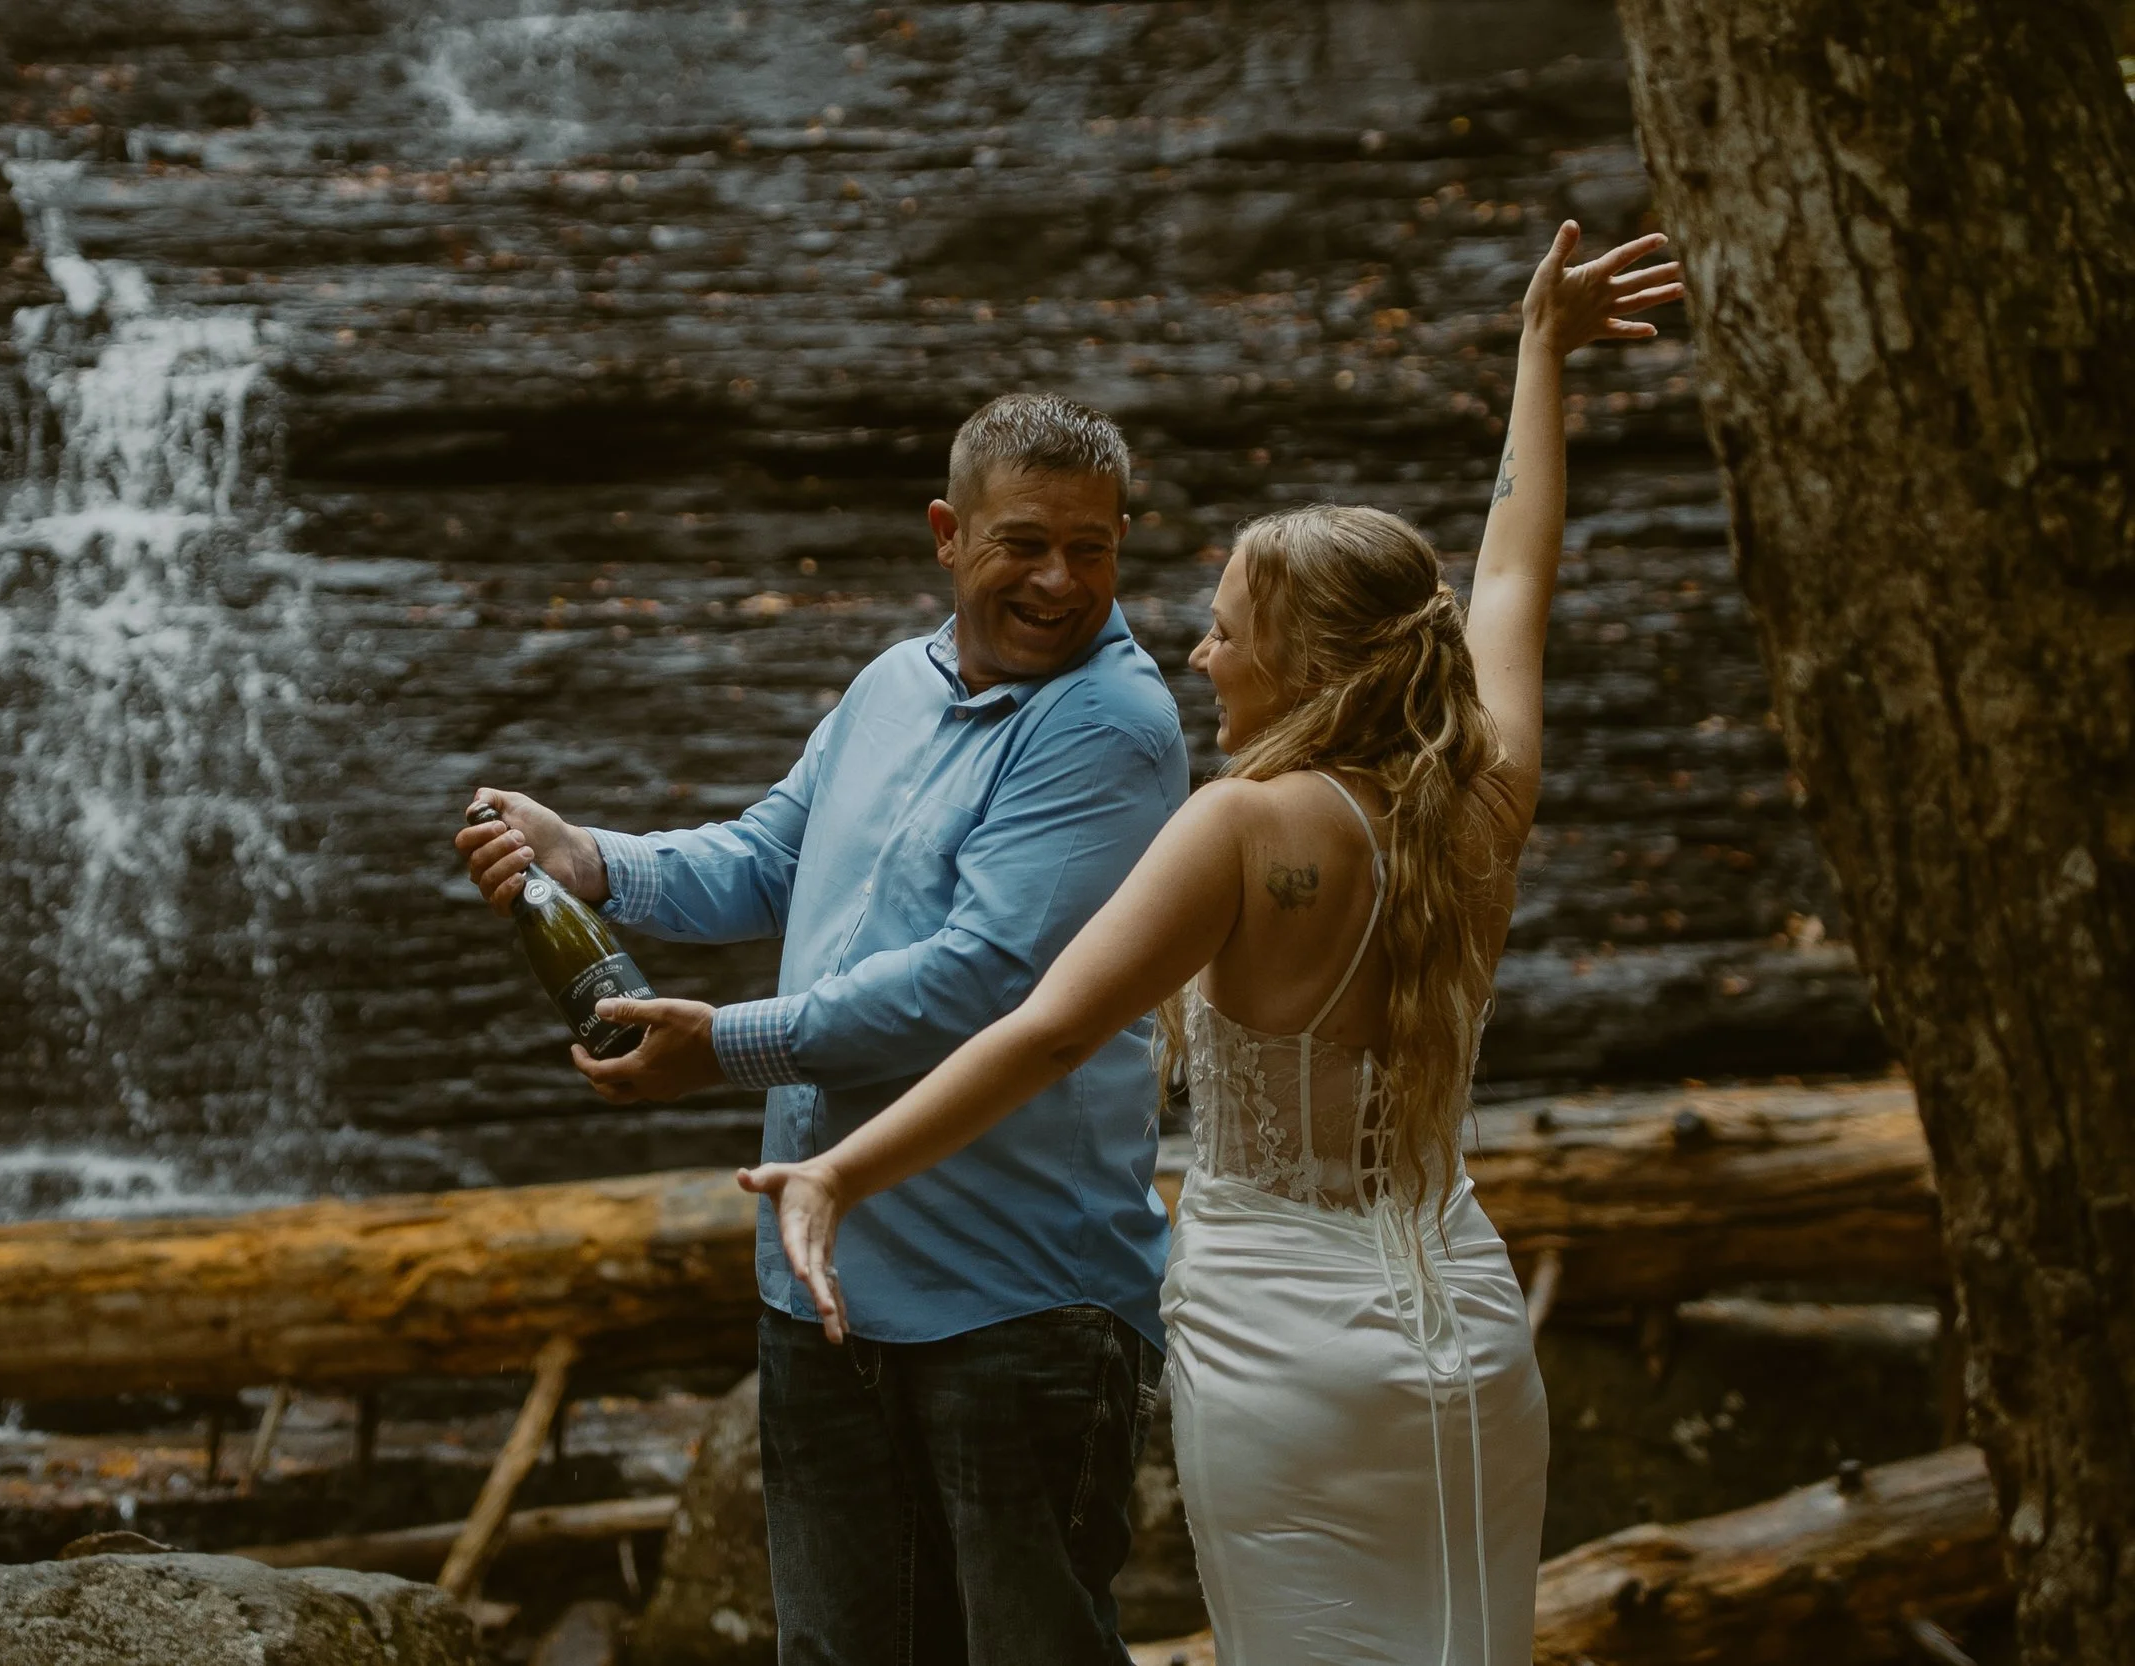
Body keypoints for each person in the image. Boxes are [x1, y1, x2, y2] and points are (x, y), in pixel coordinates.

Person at [737, 221, 1683, 1663]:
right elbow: (1509, 579)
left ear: (1306, 662)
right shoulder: (1484, 796)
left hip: (1279, 1333)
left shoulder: (1243, 826)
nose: (1197, 655)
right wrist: (1539, 361)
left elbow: (1045, 1023)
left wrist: (838, 1171)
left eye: (1228, 630)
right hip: (1466, 1321)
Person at [455, 393, 1190, 1665]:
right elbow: (764, 857)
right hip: (824, 1280)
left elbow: (981, 981)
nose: (1060, 579)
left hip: (1019, 1301)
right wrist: (591, 861)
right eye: (1024, 542)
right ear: (946, 534)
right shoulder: (890, 686)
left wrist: (720, 1044)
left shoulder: (1111, 727)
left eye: (1093, 545)